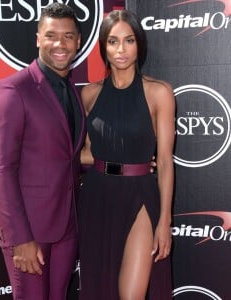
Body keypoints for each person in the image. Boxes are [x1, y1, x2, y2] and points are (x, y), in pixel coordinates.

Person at [0, 3, 86, 300]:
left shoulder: (72, 89)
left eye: (68, 36)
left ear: (78, 41)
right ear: (38, 38)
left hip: (66, 224)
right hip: (29, 230)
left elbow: (67, 155)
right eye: (51, 35)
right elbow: (1, 169)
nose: (60, 44)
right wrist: (20, 239)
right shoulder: (13, 90)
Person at [78, 9, 175, 300]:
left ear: (139, 45)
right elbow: (82, 153)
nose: (121, 49)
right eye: (113, 41)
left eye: (129, 40)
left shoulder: (159, 93)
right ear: (103, 47)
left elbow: (167, 162)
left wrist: (165, 221)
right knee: (100, 289)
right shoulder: (89, 94)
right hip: (97, 197)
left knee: (130, 295)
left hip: (140, 196)